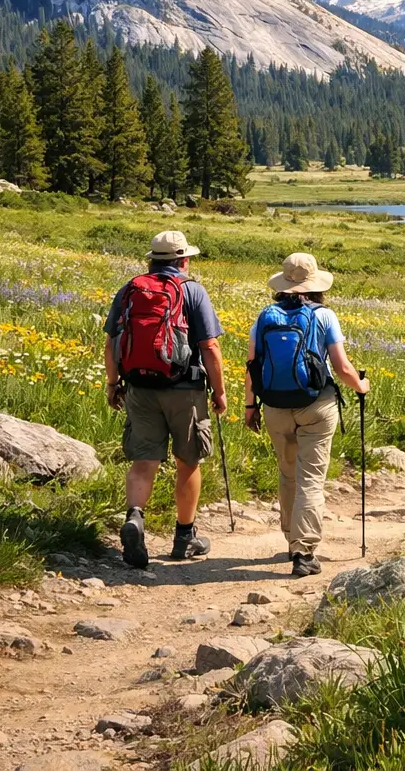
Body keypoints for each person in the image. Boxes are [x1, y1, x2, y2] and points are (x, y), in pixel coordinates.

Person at [104, 230, 227, 569]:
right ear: (183, 260)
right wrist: (219, 391)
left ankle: (135, 518)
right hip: (184, 390)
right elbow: (210, 347)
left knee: (144, 461)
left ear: (152, 259)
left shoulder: (131, 289)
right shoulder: (192, 291)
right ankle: (184, 537)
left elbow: (112, 341)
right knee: (188, 462)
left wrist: (113, 383)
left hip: (139, 388)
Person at [243, 253, 369, 577]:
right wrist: (361, 386)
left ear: (283, 284)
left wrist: (249, 406)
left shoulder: (265, 316)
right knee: (311, 479)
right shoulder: (325, 316)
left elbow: (252, 366)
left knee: (288, 475)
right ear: (316, 285)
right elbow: (341, 366)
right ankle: (304, 550)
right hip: (316, 406)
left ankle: (290, 539)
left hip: (274, 406)